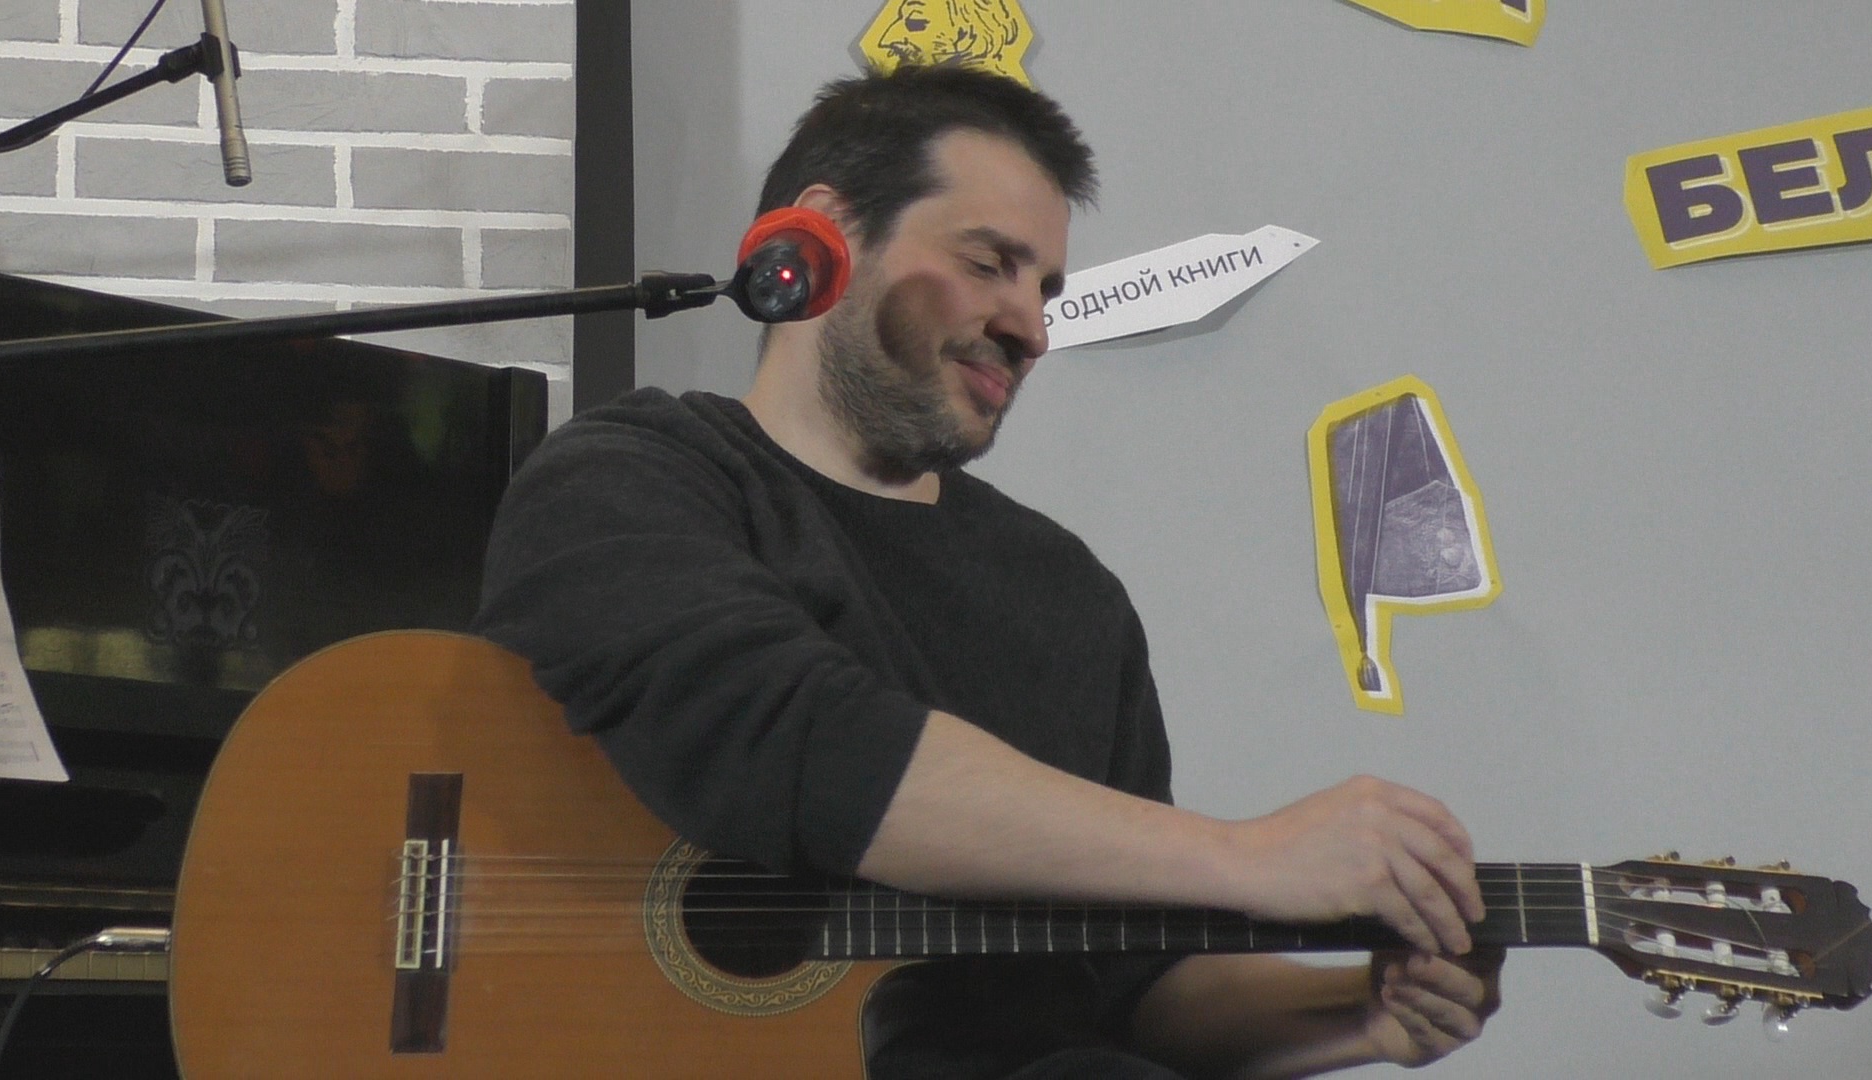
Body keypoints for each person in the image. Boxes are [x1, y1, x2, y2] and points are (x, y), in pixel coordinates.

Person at [474, 63, 1502, 1079]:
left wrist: (1356, 1014)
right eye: (989, 263)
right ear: (821, 236)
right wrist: (1250, 856)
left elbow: (1133, 986)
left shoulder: (1069, 597)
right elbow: (796, 743)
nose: (1033, 328)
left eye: (1045, 288)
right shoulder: (633, 475)